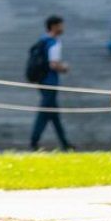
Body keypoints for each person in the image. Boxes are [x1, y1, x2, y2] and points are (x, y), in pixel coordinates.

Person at [30, 15, 74, 151]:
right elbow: (54, 64)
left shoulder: (43, 40)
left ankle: (65, 143)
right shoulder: (53, 42)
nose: (63, 28)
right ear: (54, 26)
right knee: (44, 113)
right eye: (61, 25)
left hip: (43, 80)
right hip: (50, 81)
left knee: (54, 114)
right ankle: (34, 141)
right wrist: (65, 68)